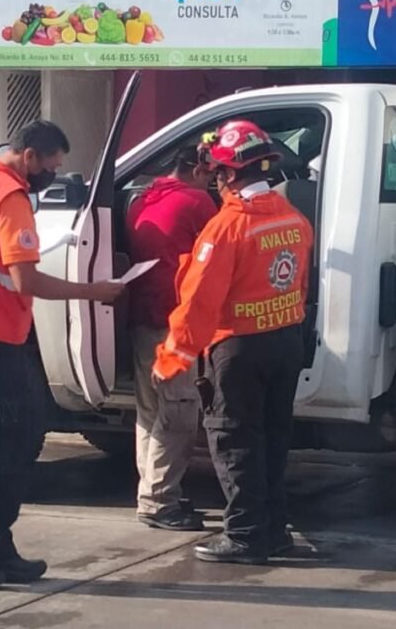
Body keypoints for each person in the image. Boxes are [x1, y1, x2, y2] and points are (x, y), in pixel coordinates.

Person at [0, 120, 124, 591]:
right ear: (29, 155)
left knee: (12, 441)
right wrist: (93, 291)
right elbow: (26, 280)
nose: (52, 175)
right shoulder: (10, 196)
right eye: (51, 166)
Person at [152, 120, 313, 564]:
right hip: (286, 341)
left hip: (240, 350)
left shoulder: (225, 229)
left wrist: (171, 359)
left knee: (236, 441)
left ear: (227, 173)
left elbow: (198, 302)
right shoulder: (294, 218)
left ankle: (244, 536)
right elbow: (298, 284)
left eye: (218, 172)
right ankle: (273, 532)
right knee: (273, 440)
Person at [126, 144, 218, 531]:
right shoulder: (197, 202)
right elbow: (218, 254)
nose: (215, 183)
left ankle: (153, 492)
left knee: (151, 411)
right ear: (197, 170)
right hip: (173, 323)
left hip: (142, 319)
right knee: (180, 411)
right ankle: (159, 502)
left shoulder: (142, 199)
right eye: (212, 175)